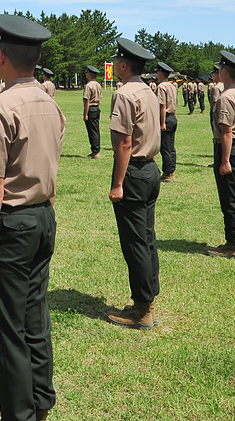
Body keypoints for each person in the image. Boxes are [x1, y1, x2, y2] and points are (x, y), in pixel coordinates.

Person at [0, 14, 64, 421]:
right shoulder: (51, 104)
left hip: (12, 225)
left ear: (1, 56)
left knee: (9, 334)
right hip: (44, 218)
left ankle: (20, 415)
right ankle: (40, 404)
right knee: (35, 319)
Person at [105, 37, 162, 330]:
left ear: (124, 65)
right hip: (151, 169)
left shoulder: (125, 94)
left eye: (116, 61)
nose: (114, 65)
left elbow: (125, 143)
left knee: (135, 243)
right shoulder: (149, 90)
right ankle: (149, 299)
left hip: (135, 173)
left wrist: (117, 184)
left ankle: (142, 309)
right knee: (147, 238)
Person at [206, 51, 235, 259]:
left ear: (224, 71)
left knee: (230, 199)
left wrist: (224, 160)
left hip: (230, 150)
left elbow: (226, 132)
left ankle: (232, 245)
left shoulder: (225, 97)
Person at [155, 62, 179, 183]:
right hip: (172, 117)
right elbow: (174, 104)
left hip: (165, 118)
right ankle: (172, 170)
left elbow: (162, 106)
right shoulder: (172, 86)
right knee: (171, 147)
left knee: (165, 148)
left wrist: (162, 122)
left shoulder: (161, 87)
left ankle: (167, 173)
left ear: (160, 73)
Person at [83, 65, 103, 159]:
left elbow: (87, 100)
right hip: (97, 107)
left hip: (91, 108)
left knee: (92, 131)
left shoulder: (89, 86)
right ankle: (96, 150)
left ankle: (95, 152)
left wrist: (85, 114)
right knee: (96, 130)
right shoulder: (98, 85)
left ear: (89, 74)